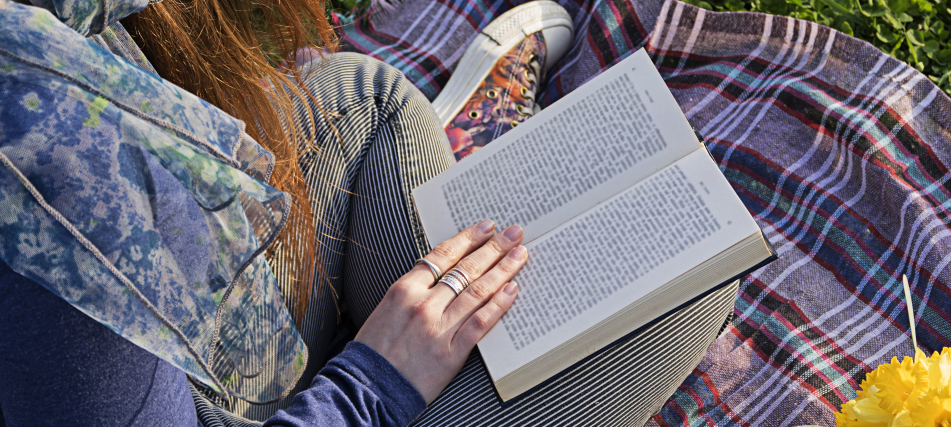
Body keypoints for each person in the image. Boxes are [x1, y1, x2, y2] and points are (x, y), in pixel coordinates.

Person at [0, 0, 736, 425]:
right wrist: (371, 384)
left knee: (362, 98)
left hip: (191, 322)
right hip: (198, 390)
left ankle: (425, 326)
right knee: (682, 289)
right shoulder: (44, 161)